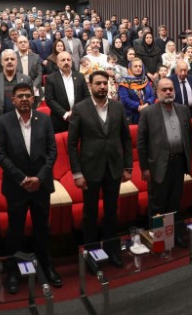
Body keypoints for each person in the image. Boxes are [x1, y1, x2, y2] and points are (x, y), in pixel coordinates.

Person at [0, 82, 62, 293]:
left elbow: (52, 152)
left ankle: (47, 266)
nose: (24, 99)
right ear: (13, 100)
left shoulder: (44, 119)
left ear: (33, 99)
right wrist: (22, 179)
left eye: (27, 95)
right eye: (20, 96)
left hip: (41, 186)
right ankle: (12, 272)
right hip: (16, 186)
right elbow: (1, 155)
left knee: (42, 229)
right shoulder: (2, 122)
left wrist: (39, 178)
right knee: (15, 232)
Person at [68, 71, 133, 269]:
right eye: (98, 83)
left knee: (112, 212)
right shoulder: (80, 109)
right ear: (90, 86)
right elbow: (72, 143)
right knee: (90, 214)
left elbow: (126, 139)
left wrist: (128, 166)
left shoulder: (117, 107)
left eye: (105, 83)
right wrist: (77, 173)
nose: (102, 86)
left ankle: (112, 251)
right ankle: (92, 255)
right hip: (90, 169)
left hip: (114, 168)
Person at [136, 78, 192, 248]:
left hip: (178, 163)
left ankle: (174, 235)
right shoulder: (148, 113)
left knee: (175, 202)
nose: (168, 92)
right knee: (158, 204)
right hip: (158, 166)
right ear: (157, 92)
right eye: (164, 89)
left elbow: (189, 136)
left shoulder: (183, 110)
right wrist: (145, 168)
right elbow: (141, 143)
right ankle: (159, 239)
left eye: (170, 89)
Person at [0, 50, 33, 136]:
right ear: (2, 62)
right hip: (0, 122)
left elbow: (32, 102)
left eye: (12, 59)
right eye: (6, 59)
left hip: (22, 121)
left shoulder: (26, 79)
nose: (9, 61)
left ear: (16, 62)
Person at [44, 52, 90, 133]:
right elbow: (49, 99)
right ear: (57, 63)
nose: (66, 62)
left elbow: (86, 96)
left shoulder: (80, 76)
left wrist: (76, 112)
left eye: (68, 60)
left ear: (71, 62)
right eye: (63, 60)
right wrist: (65, 114)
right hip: (59, 120)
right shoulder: (51, 78)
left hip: (79, 118)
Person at [118, 58, 155, 124]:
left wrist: (147, 104)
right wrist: (138, 106)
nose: (138, 68)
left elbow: (152, 95)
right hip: (131, 115)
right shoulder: (124, 82)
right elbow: (125, 99)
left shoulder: (145, 80)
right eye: (135, 66)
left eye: (140, 66)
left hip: (147, 113)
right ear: (130, 68)